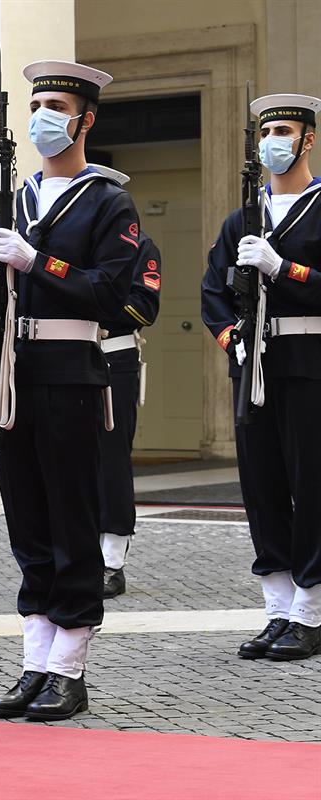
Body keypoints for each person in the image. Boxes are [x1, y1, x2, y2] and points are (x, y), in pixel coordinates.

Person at [0, 61, 139, 720]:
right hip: (17, 371)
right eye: (37, 105)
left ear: (86, 118)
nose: (44, 117)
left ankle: (69, 666)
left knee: (71, 520)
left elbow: (113, 292)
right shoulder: (11, 200)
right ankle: (36, 661)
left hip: (71, 370)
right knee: (27, 522)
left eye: (57, 105)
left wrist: (40, 263)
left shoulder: (106, 201)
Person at [201, 92, 321, 661]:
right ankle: (278, 608)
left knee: (312, 486)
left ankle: (311, 610)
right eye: (266, 133)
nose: (275, 142)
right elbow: (212, 295)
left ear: (308, 140)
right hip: (255, 367)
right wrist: (234, 339)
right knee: (263, 487)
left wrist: (284, 268)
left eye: (285, 132)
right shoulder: (240, 220)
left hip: (310, 362)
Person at [87, 164, 162, 599]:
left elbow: (142, 306)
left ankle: (112, 559)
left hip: (113, 356)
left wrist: (87, 305)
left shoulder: (140, 246)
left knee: (111, 457)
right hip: (67, 357)